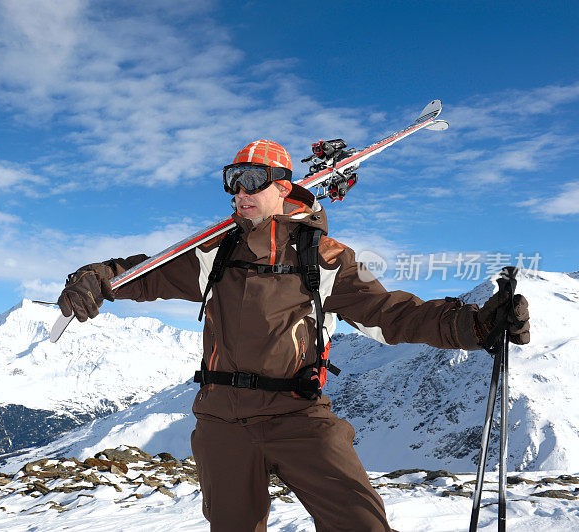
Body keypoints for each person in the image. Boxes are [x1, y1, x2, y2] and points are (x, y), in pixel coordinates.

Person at [57, 140, 530, 532]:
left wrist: (473, 325)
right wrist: (97, 276)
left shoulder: (323, 257)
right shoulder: (215, 256)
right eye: (232, 180)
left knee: (361, 524)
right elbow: (145, 274)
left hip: (299, 415)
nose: (239, 192)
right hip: (222, 419)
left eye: (252, 181)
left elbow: (390, 314)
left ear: (283, 188)